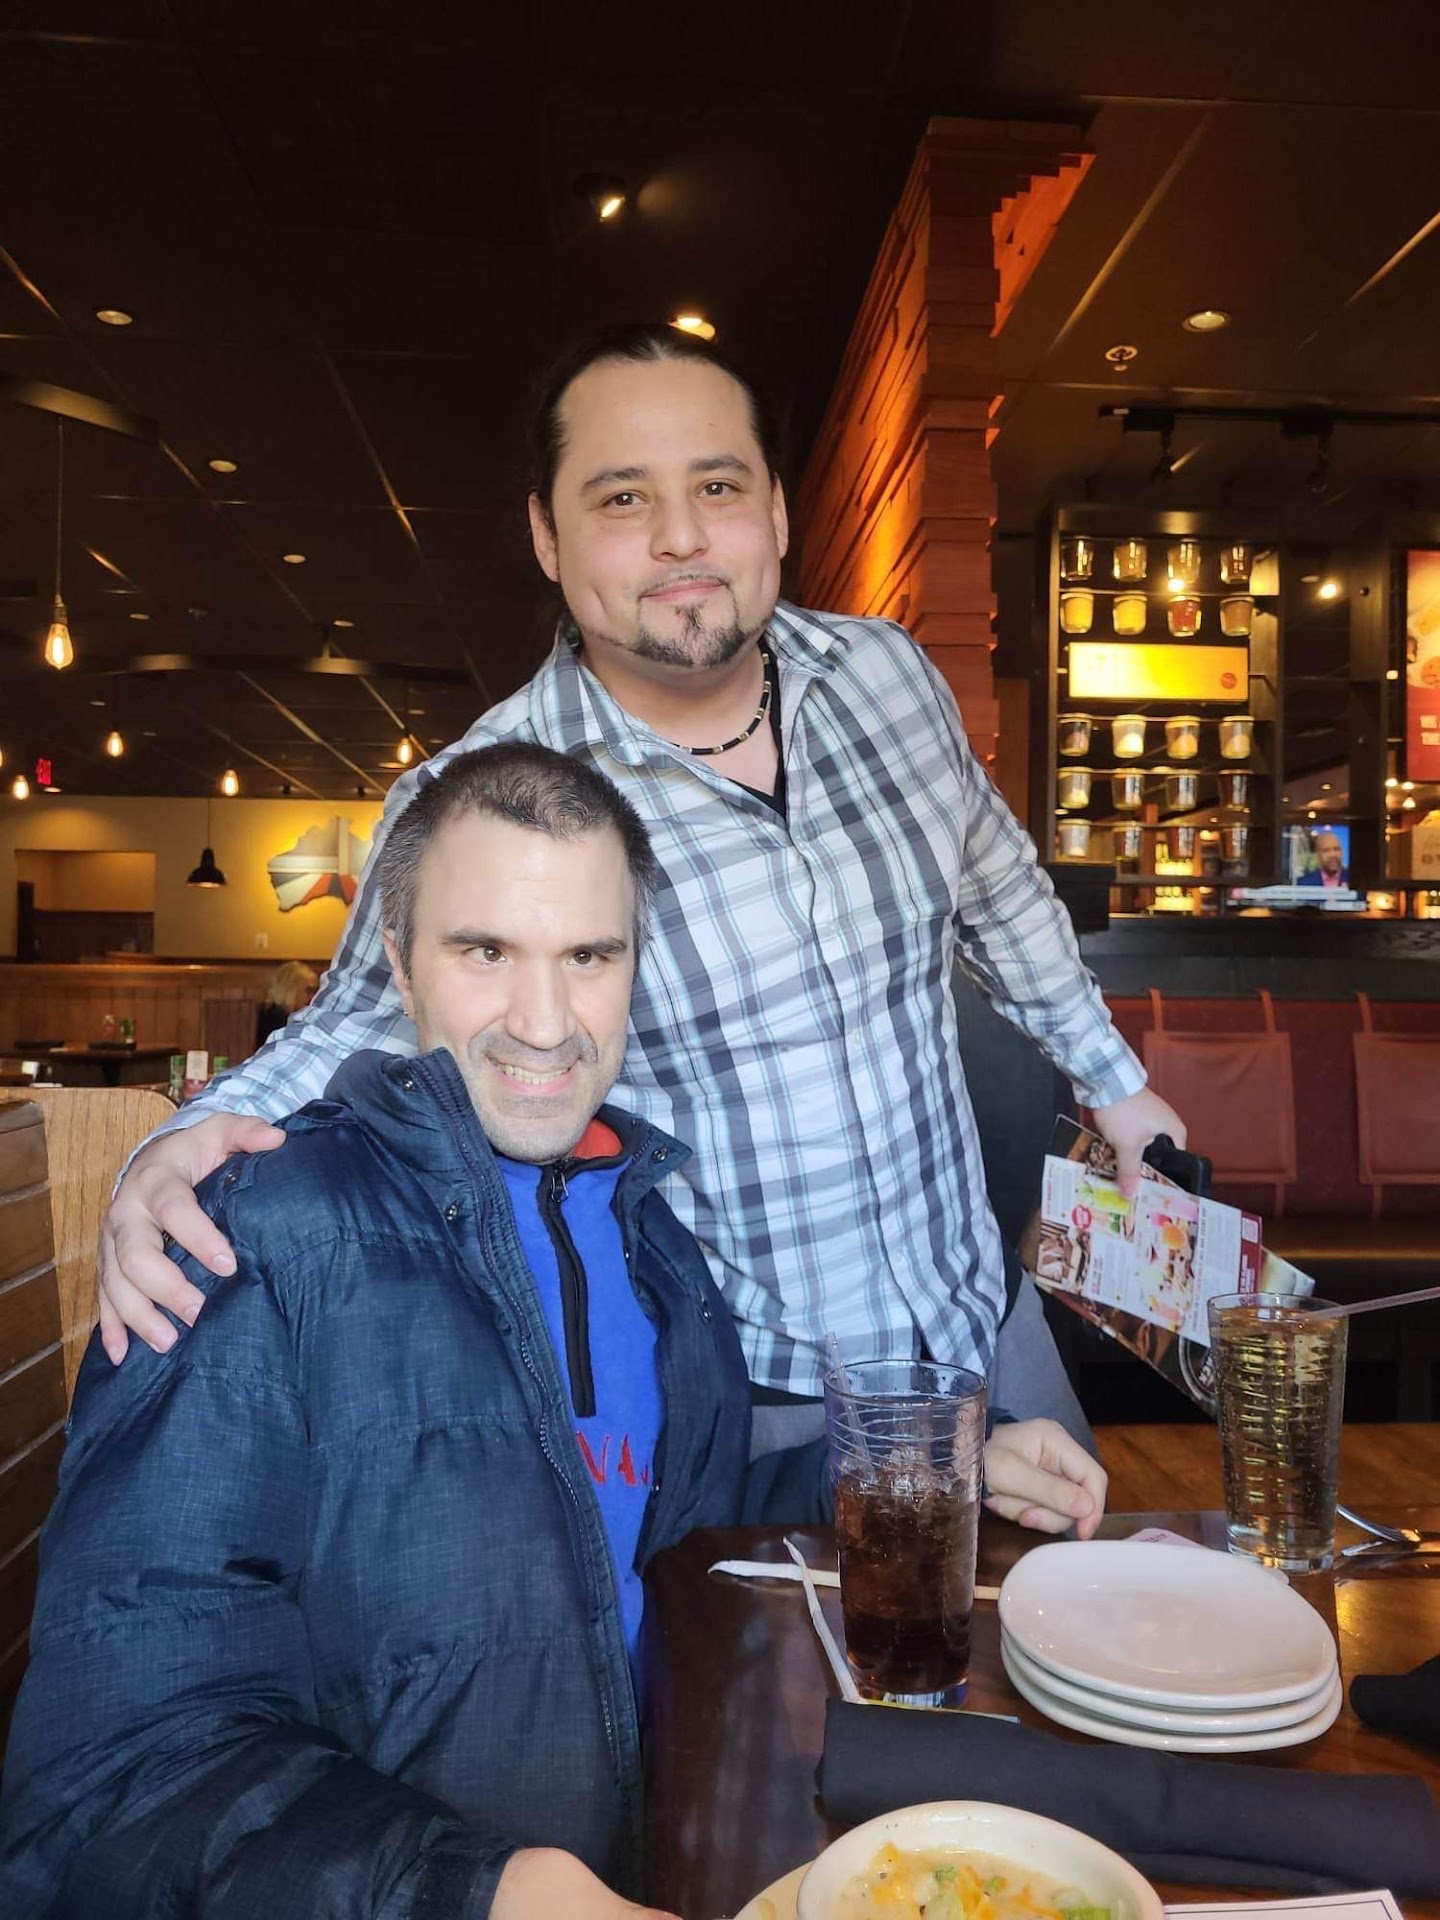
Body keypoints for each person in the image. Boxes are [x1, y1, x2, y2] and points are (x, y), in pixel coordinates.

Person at [0, 745, 1106, 1920]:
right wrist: (479, 1893)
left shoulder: (655, 1243)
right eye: (486, 952)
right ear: (399, 963)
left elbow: (666, 1509)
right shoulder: (250, 1238)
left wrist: (934, 1469)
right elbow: (108, 1782)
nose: (544, 1022)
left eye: (589, 956)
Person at [97, 323, 1183, 1449]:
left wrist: (1111, 1081)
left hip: (991, 1330)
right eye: (622, 498)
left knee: (1086, 1571)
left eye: (717, 486)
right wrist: (178, 1144)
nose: (680, 536)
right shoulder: (483, 798)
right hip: (754, 1409)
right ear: (547, 535)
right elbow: (354, 1031)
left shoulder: (889, 677)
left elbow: (1001, 888)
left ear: (776, 511)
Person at [254, 959, 320, 1048]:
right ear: (291, 989)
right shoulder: (275, 1020)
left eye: (314, 992)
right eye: (308, 991)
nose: (313, 997)